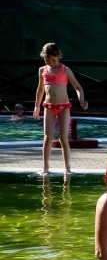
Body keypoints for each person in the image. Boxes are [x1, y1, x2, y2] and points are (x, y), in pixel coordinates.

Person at [32, 43, 89, 175]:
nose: (49, 62)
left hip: (63, 107)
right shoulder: (42, 70)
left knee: (63, 138)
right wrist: (37, 106)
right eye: (46, 60)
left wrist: (82, 100)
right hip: (49, 106)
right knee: (48, 138)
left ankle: (67, 168)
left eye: (52, 60)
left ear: (58, 56)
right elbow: (40, 89)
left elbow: (78, 87)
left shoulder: (65, 70)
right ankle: (45, 167)